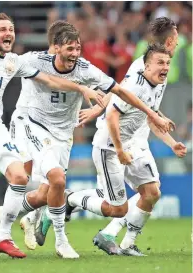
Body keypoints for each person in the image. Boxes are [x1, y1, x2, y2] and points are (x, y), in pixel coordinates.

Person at [0, 20, 172, 258]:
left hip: (63, 133)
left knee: (45, 193)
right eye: (70, 49)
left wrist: (152, 114)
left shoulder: (85, 69)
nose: (75, 54)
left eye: (78, 49)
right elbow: (3, 60)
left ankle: (9, 214)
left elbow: (119, 91)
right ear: (55, 48)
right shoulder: (34, 60)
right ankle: (60, 241)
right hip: (35, 126)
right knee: (55, 180)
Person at [0, 13, 106, 259]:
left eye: (12, 29)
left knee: (19, 176)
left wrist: (81, 88)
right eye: (3, 29)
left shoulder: (14, 61)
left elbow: (50, 80)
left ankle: (3, 237)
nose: (9, 33)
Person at [68, 17, 180, 256]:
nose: (179, 41)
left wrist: (167, 134)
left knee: (151, 192)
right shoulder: (143, 68)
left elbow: (133, 98)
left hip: (136, 133)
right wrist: (100, 111)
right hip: (123, 138)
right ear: (171, 39)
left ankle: (123, 241)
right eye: (177, 37)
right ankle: (71, 202)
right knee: (114, 205)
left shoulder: (161, 67)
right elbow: (121, 93)